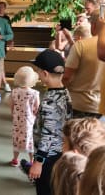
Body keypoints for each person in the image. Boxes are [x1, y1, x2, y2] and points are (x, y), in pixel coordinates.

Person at [28, 49, 72, 195]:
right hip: (60, 151)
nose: (38, 75)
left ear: (45, 74)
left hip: (48, 157)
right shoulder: (65, 92)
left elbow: (47, 135)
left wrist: (38, 162)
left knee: (44, 189)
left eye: (38, 71)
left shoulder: (49, 101)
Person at [62, 22, 105, 118]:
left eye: (75, 39)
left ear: (79, 38)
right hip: (99, 104)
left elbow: (67, 77)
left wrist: (63, 88)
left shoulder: (80, 46)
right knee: (91, 131)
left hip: (78, 103)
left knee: (75, 131)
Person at [9, 66, 39, 167]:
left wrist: (13, 114)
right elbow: (37, 108)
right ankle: (32, 160)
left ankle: (15, 159)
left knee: (16, 138)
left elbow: (12, 106)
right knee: (29, 138)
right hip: (29, 121)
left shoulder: (14, 92)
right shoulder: (34, 93)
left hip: (17, 121)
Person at [0, 1, 13, 92]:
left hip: (2, 44)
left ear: (4, 8)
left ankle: (4, 83)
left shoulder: (6, 18)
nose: (0, 9)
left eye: (2, 7)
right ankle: (4, 83)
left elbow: (9, 31)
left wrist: (10, 41)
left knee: (0, 64)